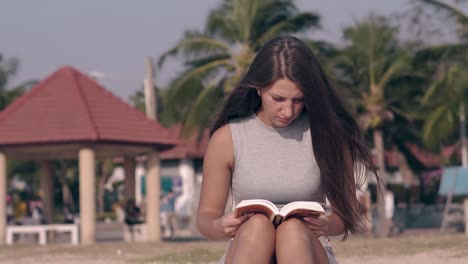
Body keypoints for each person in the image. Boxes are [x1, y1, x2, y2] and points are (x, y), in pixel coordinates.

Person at [197, 36, 378, 264]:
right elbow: (205, 218)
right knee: (257, 226)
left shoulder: (327, 134)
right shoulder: (227, 138)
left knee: (292, 231)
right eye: (278, 98)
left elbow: (346, 215)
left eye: (299, 99)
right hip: (248, 250)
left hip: (308, 250)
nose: (288, 111)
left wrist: (326, 224)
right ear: (258, 88)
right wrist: (219, 225)